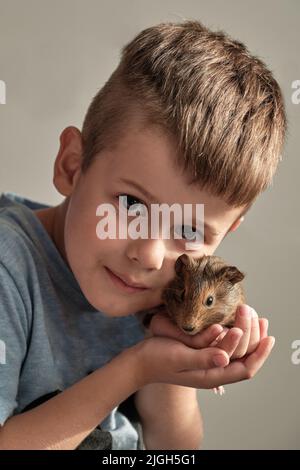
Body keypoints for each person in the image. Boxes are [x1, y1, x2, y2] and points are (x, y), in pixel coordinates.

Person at [0, 19, 286, 450]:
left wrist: (175, 361)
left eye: (188, 229)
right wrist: (134, 370)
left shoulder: (165, 298)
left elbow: (172, 452)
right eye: (132, 205)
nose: (150, 255)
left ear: (224, 236)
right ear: (72, 166)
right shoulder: (9, 268)